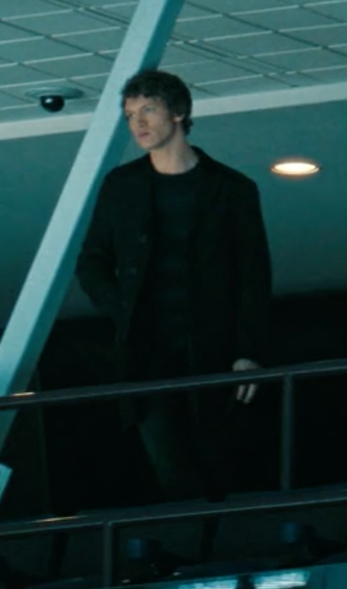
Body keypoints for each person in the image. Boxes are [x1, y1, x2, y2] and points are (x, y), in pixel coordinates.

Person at [76, 69, 272, 503]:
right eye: (130, 114)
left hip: (212, 345)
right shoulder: (122, 186)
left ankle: (226, 535)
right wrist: (123, 311)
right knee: (170, 464)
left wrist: (248, 351)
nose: (138, 123)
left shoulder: (232, 189)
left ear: (178, 112)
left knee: (220, 455)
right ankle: (194, 539)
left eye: (148, 110)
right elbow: (91, 261)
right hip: (148, 350)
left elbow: (254, 275)